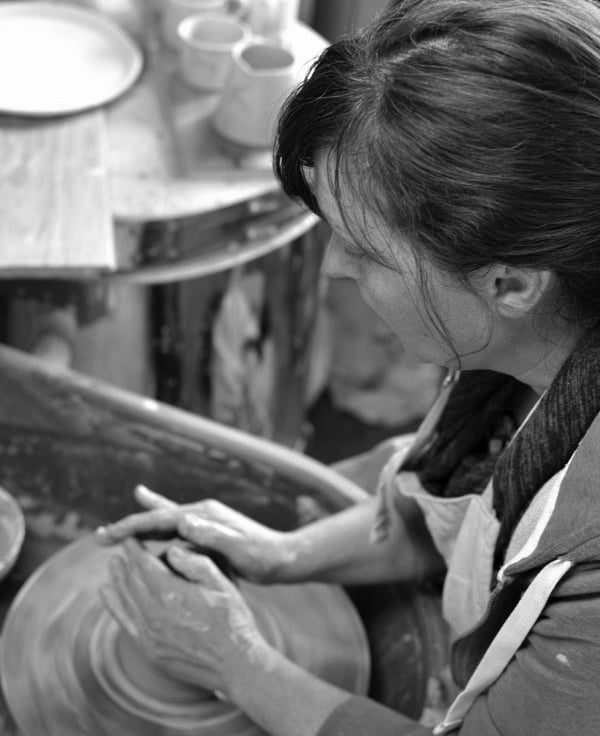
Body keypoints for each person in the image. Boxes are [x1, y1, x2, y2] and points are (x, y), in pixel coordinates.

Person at [95, 0, 600, 733]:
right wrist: (279, 554)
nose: (332, 267)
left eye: (364, 251)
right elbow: (460, 515)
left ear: (511, 285)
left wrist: (235, 663)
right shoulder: (526, 341)